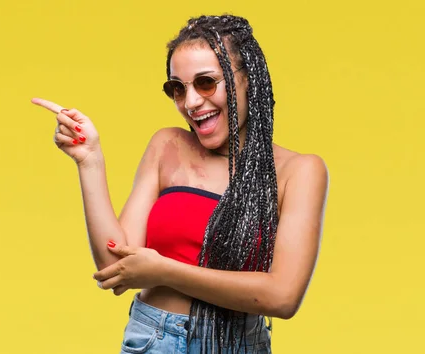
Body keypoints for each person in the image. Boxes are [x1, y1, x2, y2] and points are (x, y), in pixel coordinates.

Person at [32, 13, 329, 354]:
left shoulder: (299, 171)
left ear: (249, 79)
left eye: (206, 82)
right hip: (153, 340)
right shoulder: (167, 146)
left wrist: (165, 271)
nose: (190, 103)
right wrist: (90, 160)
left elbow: (282, 296)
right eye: (177, 88)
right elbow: (114, 265)